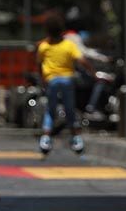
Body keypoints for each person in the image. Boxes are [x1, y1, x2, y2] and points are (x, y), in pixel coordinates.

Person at [37, 13, 92, 156]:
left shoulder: (44, 46)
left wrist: (42, 78)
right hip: (67, 79)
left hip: (52, 80)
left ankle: (46, 138)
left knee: (51, 109)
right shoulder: (69, 45)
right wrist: (92, 71)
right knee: (70, 108)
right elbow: (81, 60)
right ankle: (76, 138)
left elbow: (39, 64)